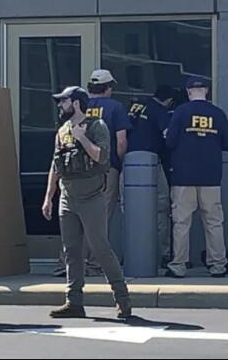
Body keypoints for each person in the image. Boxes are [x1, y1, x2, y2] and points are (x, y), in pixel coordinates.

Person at [41, 86, 132, 319]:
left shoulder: (96, 126)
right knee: (71, 251)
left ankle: (122, 299)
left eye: (64, 101)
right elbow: (55, 165)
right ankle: (74, 302)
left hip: (91, 197)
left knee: (100, 248)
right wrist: (49, 197)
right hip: (67, 198)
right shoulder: (62, 130)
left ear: (77, 103)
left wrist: (82, 138)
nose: (60, 106)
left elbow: (102, 157)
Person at [164, 76, 228, 278]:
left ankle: (178, 265)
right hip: (211, 176)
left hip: (183, 176)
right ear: (207, 91)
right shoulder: (218, 114)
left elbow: (169, 142)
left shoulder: (180, 112)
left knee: (181, 222)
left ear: (188, 92)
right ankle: (218, 265)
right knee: (214, 222)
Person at [84, 69, 133, 274]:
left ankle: (70, 261)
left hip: (80, 169)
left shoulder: (80, 105)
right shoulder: (115, 107)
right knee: (101, 215)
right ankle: (95, 262)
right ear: (108, 88)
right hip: (106, 167)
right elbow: (121, 141)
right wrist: (120, 163)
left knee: (78, 215)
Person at [126, 85, 175, 266]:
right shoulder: (161, 111)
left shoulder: (136, 107)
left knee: (131, 210)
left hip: (128, 164)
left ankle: (131, 252)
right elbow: (168, 136)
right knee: (161, 207)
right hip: (151, 163)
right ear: (169, 101)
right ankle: (163, 253)